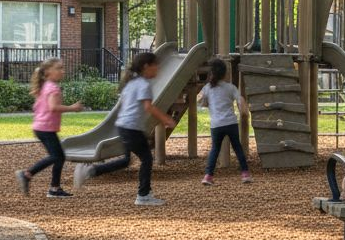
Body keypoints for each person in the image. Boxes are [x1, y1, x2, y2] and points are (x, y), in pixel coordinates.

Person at [73, 51, 176, 205]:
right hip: (132, 128)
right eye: (156, 66)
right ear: (146, 66)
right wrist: (166, 119)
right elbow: (149, 107)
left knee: (126, 160)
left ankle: (90, 171)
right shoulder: (143, 84)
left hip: (123, 126)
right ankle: (143, 195)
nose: (158, 70)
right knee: (147, 159)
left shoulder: (131, 83)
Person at [16, 58, 84, 198]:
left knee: (59, 157)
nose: (62, 71)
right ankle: (27, 174)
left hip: (42, 127)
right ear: (48, 71)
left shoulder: (45, 86)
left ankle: (54, 188)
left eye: (62, 68)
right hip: (45, 128)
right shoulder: (52, 87)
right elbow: (53, 107)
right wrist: (73, 108)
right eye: (59, 68)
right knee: (56, 156)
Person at [199, 58, 251, 184]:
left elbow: (201, 102)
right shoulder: (230, 87)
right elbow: (240, 100)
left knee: (215, 149)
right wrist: (244, 112)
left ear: (211, 74)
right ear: (225, 73)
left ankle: (208, 176)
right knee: (238, 148)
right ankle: (245, 174)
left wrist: (207, 103)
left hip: (216, 124)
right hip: (231, 123)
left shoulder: (207, 88)